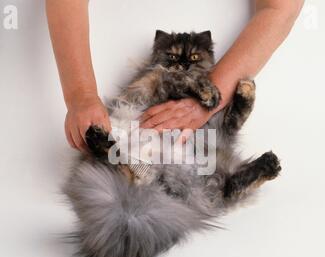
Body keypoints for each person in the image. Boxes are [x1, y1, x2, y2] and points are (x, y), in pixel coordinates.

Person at [46, 0, 304, 153]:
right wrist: (81, 95)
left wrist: (207, 96)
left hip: (210, 124)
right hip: (108, 117)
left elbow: (280, 8)